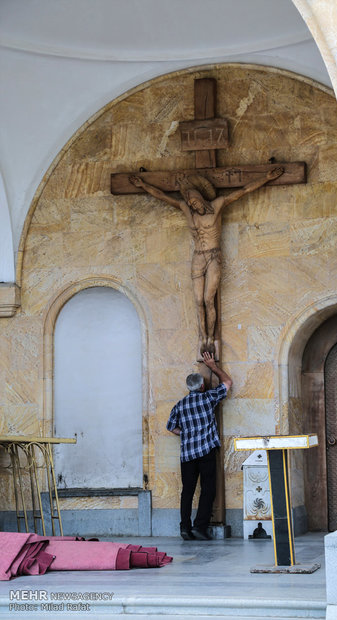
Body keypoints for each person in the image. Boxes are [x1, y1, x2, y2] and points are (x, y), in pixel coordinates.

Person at [130, 167, 284, 356]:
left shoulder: (217, 205)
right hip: (198, 257)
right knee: (197, 300)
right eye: (191, 204)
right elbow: (162, 196)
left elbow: (243, 191)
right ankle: (203, 337)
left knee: (208, 299)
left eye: (195, 202)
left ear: (201, 199)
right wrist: (143, 185)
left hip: (213, 256)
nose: (194, 206)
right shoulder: (187, 210)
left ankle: (211, 337)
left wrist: (265, 177)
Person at [166, 351, 233, 540]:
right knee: (208, 489)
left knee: (187, 491)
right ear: (202, 386)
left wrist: (186, 434)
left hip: (187, 454)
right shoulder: (207, 398)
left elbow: (171, 427)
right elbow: (228, 383)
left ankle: (184, 528)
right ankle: (199, 526)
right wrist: (213, 367)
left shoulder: (179, 405)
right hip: (205, 451)